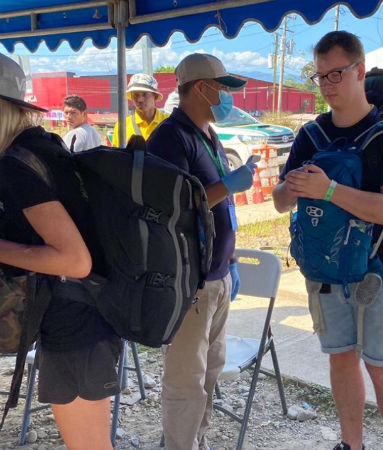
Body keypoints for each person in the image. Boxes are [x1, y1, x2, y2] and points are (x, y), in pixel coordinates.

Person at [273, 31, 383, 450]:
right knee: (340, 358)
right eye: (320, 77)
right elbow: (281, 202)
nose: (329, 85)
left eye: (336, 73)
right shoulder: (310, 136)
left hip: (382, 270)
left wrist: (329, 190)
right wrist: (293, 188)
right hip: (326, 269)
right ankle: (351, 445)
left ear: (360, 71)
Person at [0, 54, 119, 450]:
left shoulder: (16, 165)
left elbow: (74, 260)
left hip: (74, 320)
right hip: (87, 312)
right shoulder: (43, 146)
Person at [146, 52, 255, 450]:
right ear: (200, 88)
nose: (227, 96)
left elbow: (222, 210)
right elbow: (169, 210)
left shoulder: (208, 133)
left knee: (210, 372)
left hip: (218, 276)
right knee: (185, 379)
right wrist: (229, 185)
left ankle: (197, 440)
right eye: (222, 88)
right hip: (190, 281)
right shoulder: (170, 138)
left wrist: (233, 260)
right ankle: (179, 444)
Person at [112, 73, 168, 146]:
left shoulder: (168, 122)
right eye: (136, 95)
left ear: (155, 96)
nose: (140, 99)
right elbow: (117, 155)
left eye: (145, 94)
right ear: (131, 96)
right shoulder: (123, 126)